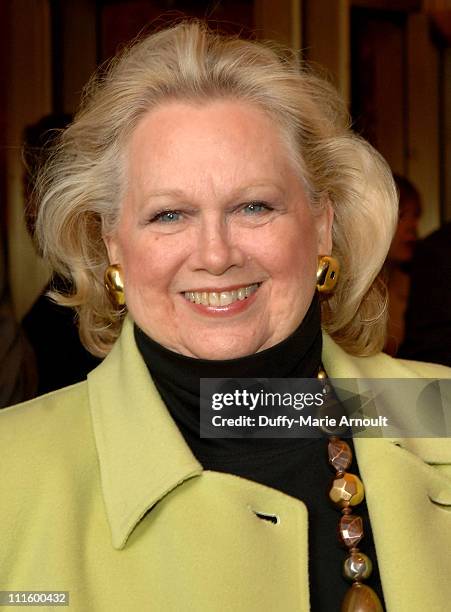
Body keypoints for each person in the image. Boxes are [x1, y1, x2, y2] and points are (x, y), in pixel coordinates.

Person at [0, 21, 450, 612]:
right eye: (168, 215)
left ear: (321, 226)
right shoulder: (13, 474)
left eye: (254, 206)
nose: (216, 255)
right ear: (112, 243)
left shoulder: (437, 413)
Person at [383, 175, 421, 356]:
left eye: (415, 216)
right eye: (401, 216)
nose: (412, 226)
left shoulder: (418, 287)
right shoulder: (345, 293)